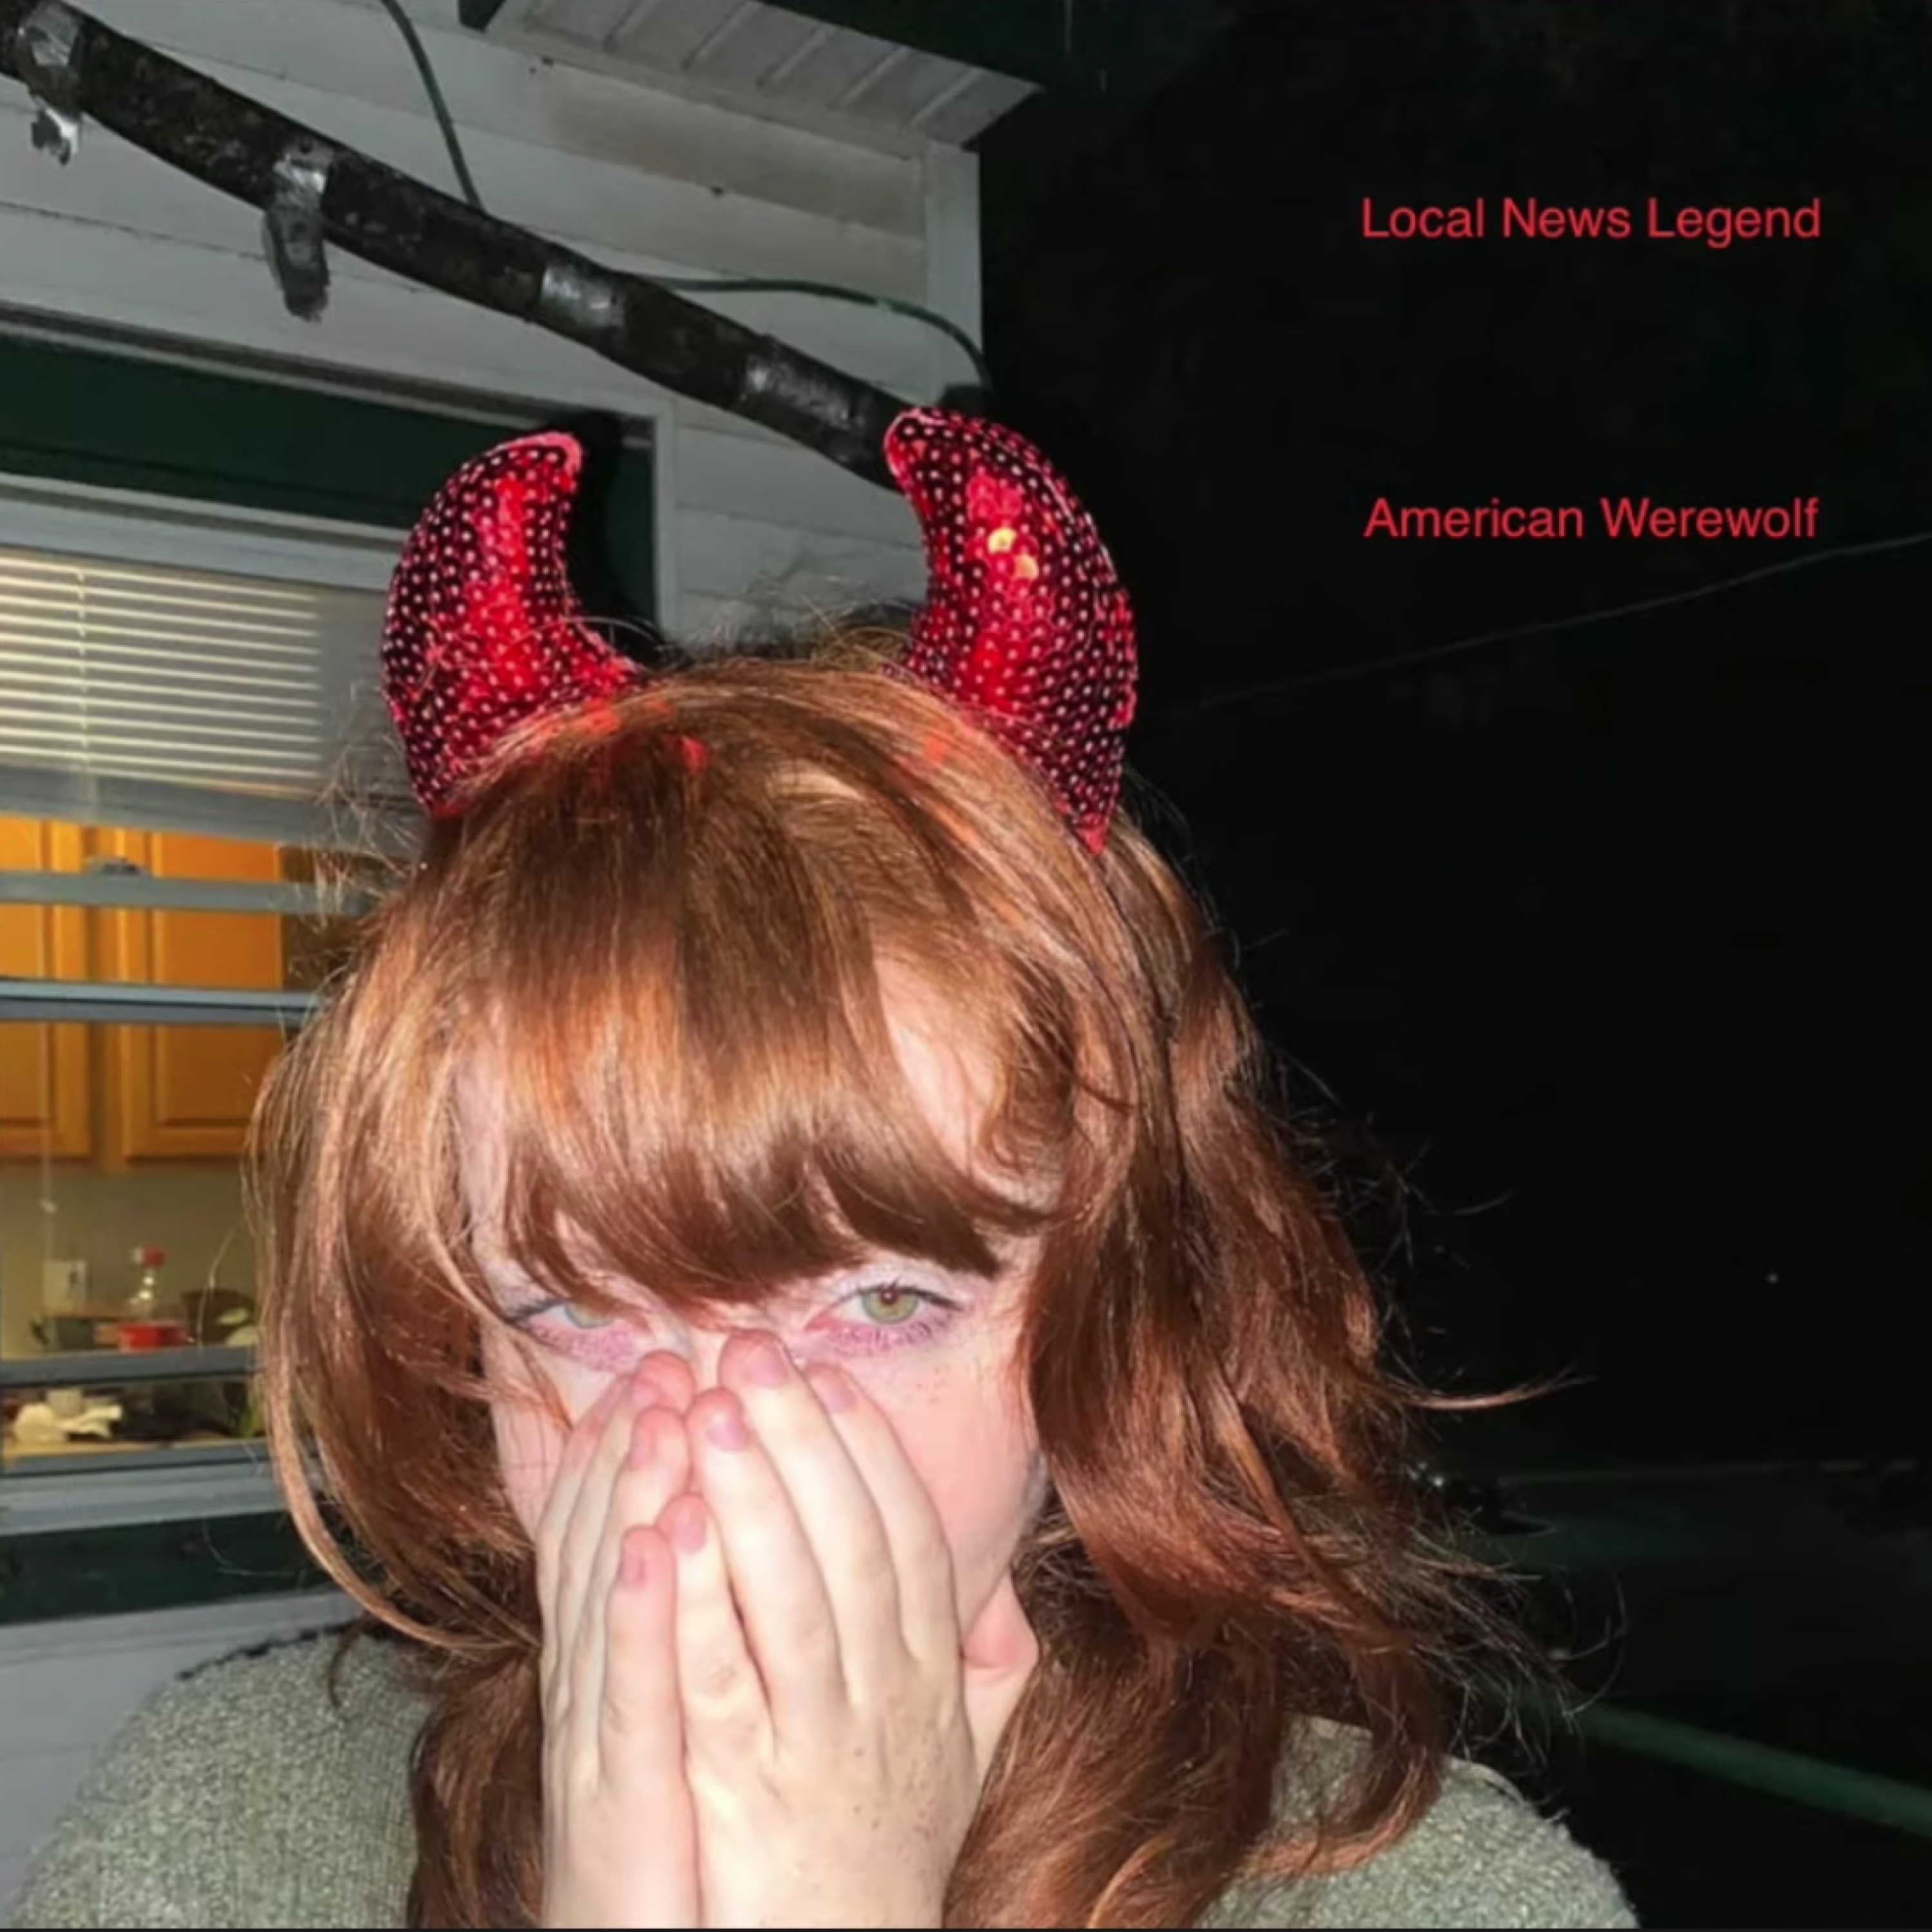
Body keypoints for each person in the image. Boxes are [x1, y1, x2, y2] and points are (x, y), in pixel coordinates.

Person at [8, 412, 1635, 1929]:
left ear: (1112, 1301)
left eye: (886, 1300)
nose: (722, 1467)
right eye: (574, 1306)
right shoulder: (217, 1835)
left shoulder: (1431, 1899)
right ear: (458, 1348)